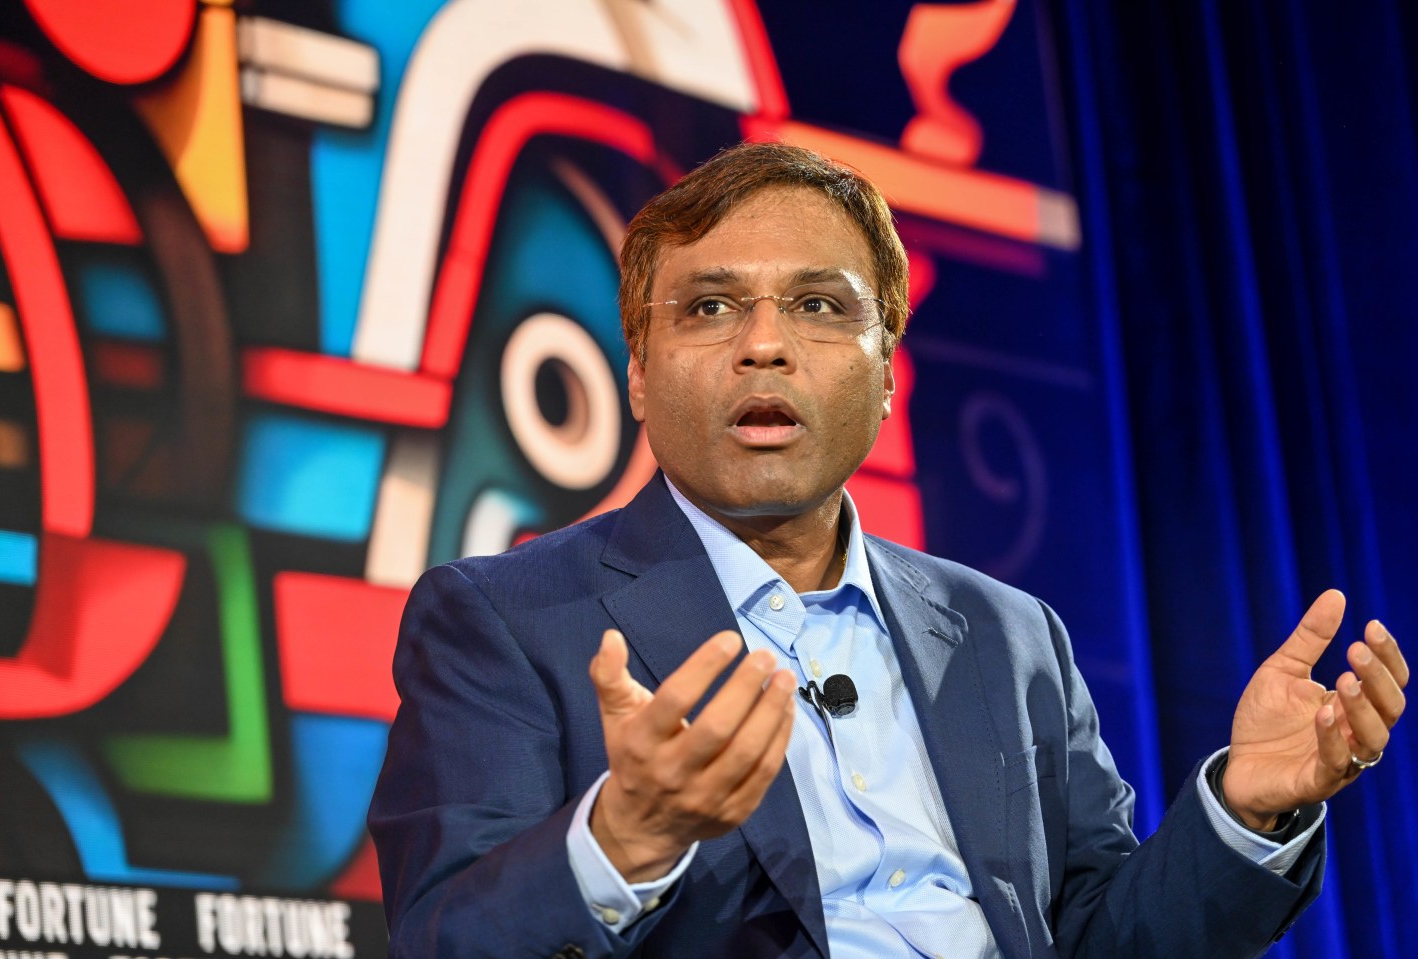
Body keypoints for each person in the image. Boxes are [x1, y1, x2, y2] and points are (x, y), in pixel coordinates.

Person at [368, 143, 1408, 959]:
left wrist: (1246, 808)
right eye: (711, 306)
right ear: (637, 374)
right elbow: (441, 937)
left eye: (820, 306)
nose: (763, 342)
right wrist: (625, 835)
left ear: (887, 372)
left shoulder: (1009, 633)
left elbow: (1107, 936)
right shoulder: (505, 617)